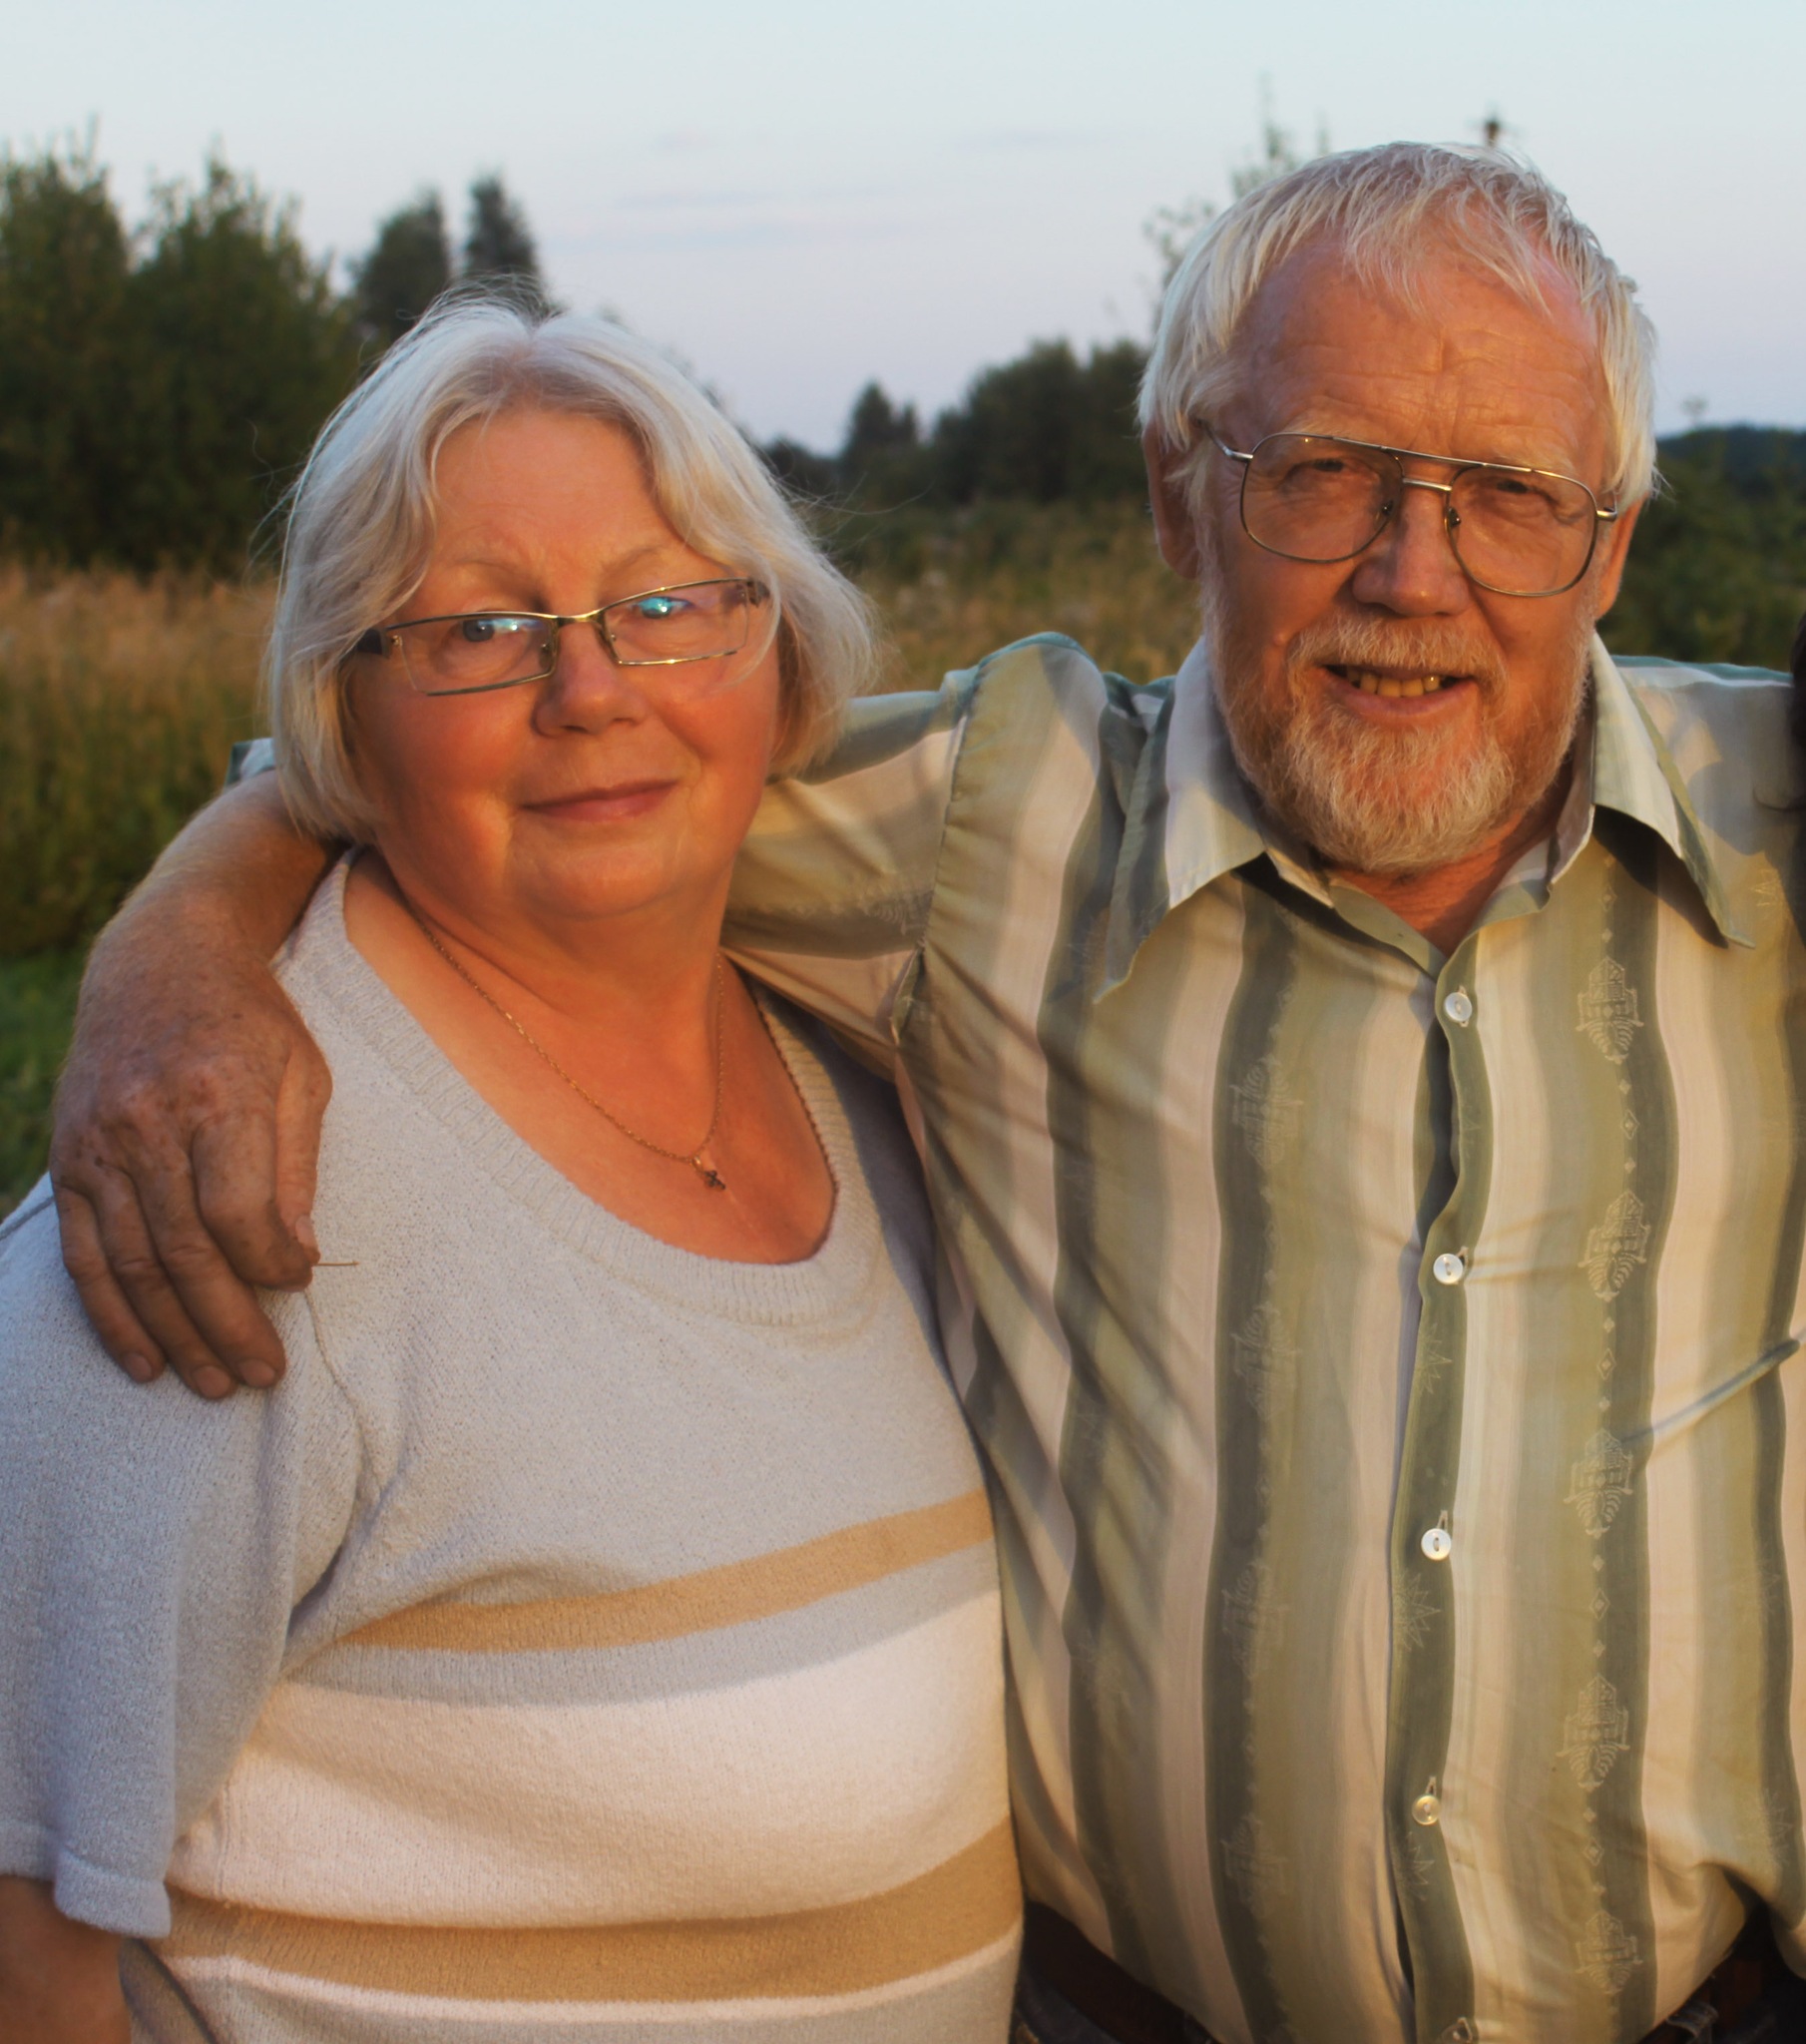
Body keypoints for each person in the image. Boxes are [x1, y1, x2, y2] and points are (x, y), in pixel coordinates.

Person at [39, 143, 1806, 2044]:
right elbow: (528, 760)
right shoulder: (990, 827)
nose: (1411, 574)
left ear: (1610, 541)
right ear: (1177, 493)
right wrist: (182, 947)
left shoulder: (1774, 829)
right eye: (1318, 473)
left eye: (1512, 495)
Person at [0, 303, 1022, 2041]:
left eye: (668, 604)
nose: (593, 690)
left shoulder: (861, 1079)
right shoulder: (218, 1196)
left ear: (781, 661)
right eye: (477, 628)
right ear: (343, 713)